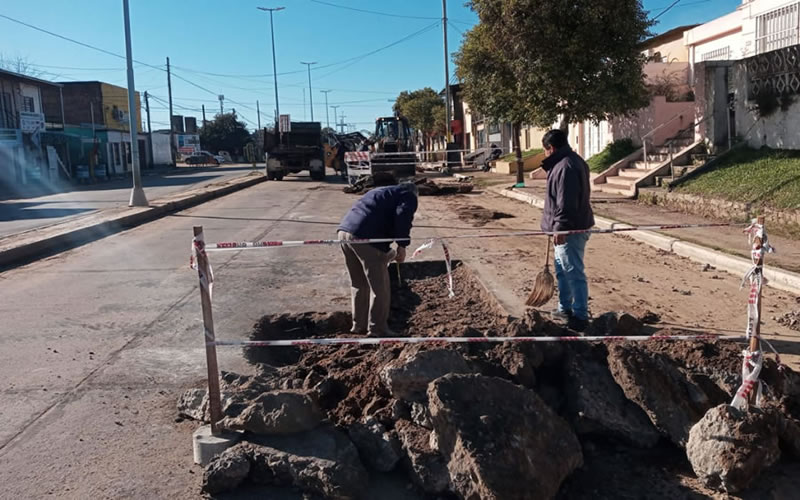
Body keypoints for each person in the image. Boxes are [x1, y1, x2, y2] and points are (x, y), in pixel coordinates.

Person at [338, 182, 419, 336]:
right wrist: (402, 245)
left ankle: (358, 325)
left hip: (344, 233)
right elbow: (403, 216)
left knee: (359, 283)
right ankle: (377, 328)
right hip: (366, 237)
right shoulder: (408, 195)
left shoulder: (382, 191)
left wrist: (388, 252)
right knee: (379, 286)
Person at [540, 129, 595, 331]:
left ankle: (580, 316)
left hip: (570, 230)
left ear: (551, 148)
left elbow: (566, 202)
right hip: (566, 227)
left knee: (573, 272)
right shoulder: (568, 161)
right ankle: (565, 308)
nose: (545, 154)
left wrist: (560, 228)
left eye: (545, 150)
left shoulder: (566, 167)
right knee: (562, 271)